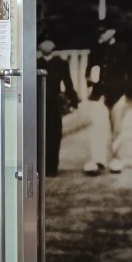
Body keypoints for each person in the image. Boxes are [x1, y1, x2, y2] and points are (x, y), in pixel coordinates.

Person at [83, 25, 132, 175]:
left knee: (117, 129)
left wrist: (127, 92)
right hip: (99, 94)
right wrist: (90, 81)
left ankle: (116, 159)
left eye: (104, 31)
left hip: (118, 94)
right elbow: (89, 70)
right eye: (99, 32)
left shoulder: (123, 49)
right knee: (97, 127)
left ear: (112, 32)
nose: (101, 34)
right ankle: (97, 160)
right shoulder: (96, 50)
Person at [38, 40, 77, 177]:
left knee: (54, 135)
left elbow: (68, 83)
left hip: (54, 103)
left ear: (53, 48)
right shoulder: (35, 64)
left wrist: (73, 101)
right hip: (38, 103)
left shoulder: (61, 63)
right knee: (39, 134)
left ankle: (52, 167)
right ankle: (41, 167)